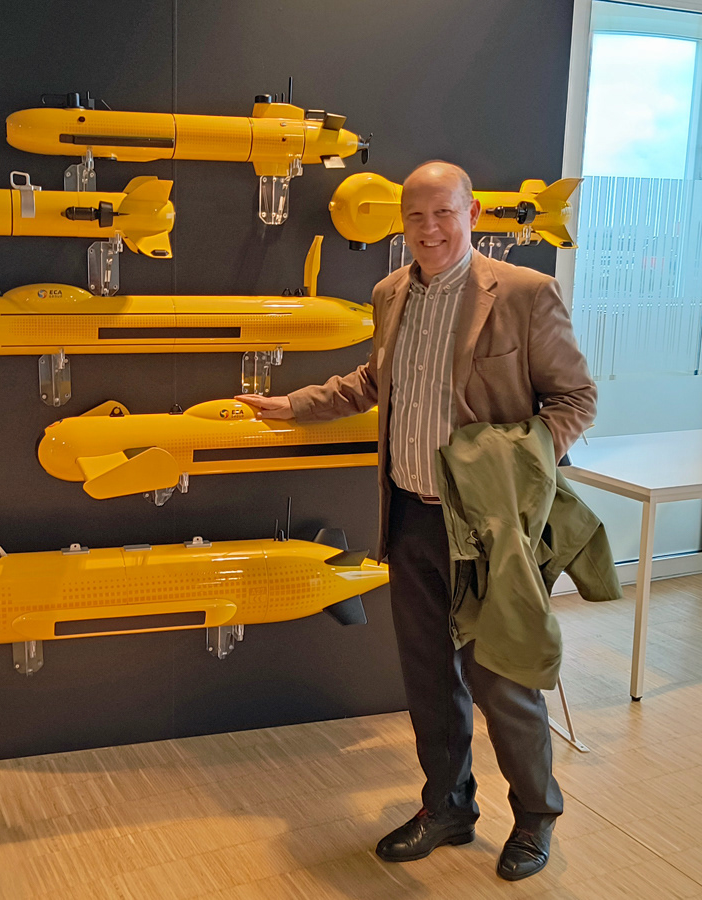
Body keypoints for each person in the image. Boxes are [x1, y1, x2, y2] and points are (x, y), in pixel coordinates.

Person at [237, 161, 596, 882]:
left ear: (472, 214)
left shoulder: (525, 293)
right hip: (408, 515)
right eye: (415, 216)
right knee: (429, 677)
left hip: (485, 527)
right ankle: (448, 806)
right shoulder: (390, 292)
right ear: (400, 223)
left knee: (501, 680)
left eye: (443, 213)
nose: (429, 230)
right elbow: (375, 381)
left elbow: (575, 400)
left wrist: (512, 465)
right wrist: (296, 404)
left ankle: (535, 815)